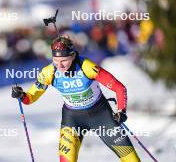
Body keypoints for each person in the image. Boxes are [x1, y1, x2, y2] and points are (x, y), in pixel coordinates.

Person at [11, 36, 141, 162]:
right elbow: (29, 99)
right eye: (55, 60)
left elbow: (119, 88)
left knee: (131, 159)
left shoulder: (87, 67)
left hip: (101, 115)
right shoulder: (48, 73)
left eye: (64, 60)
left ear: (73, 56)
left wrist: (121, 111)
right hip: (73, 119)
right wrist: (22, 96)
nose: (60, 65)